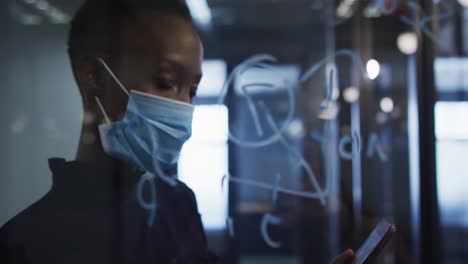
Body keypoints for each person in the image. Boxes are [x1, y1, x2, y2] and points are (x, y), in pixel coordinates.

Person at [0, 0, 357, 263]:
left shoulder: (177, 204)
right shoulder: (24, 245)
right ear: (94, 76)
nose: (184, 107)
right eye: (166, 81)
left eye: (194, 90)